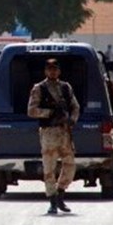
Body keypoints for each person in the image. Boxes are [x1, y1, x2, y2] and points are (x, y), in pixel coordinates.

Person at [27, 58, 80, 214]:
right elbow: (31, 110)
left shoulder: (65, 87)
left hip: (64, 132)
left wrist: (72, 120)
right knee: (49, 168)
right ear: (45, 71)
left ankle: (60, 193)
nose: (53, 72)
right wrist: (49, 113)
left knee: (70, 165)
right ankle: (52, 201)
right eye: (50, 69)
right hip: (49, 132)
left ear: (59, 71)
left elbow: (75, 107)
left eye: (55, 69)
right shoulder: (39, 88)